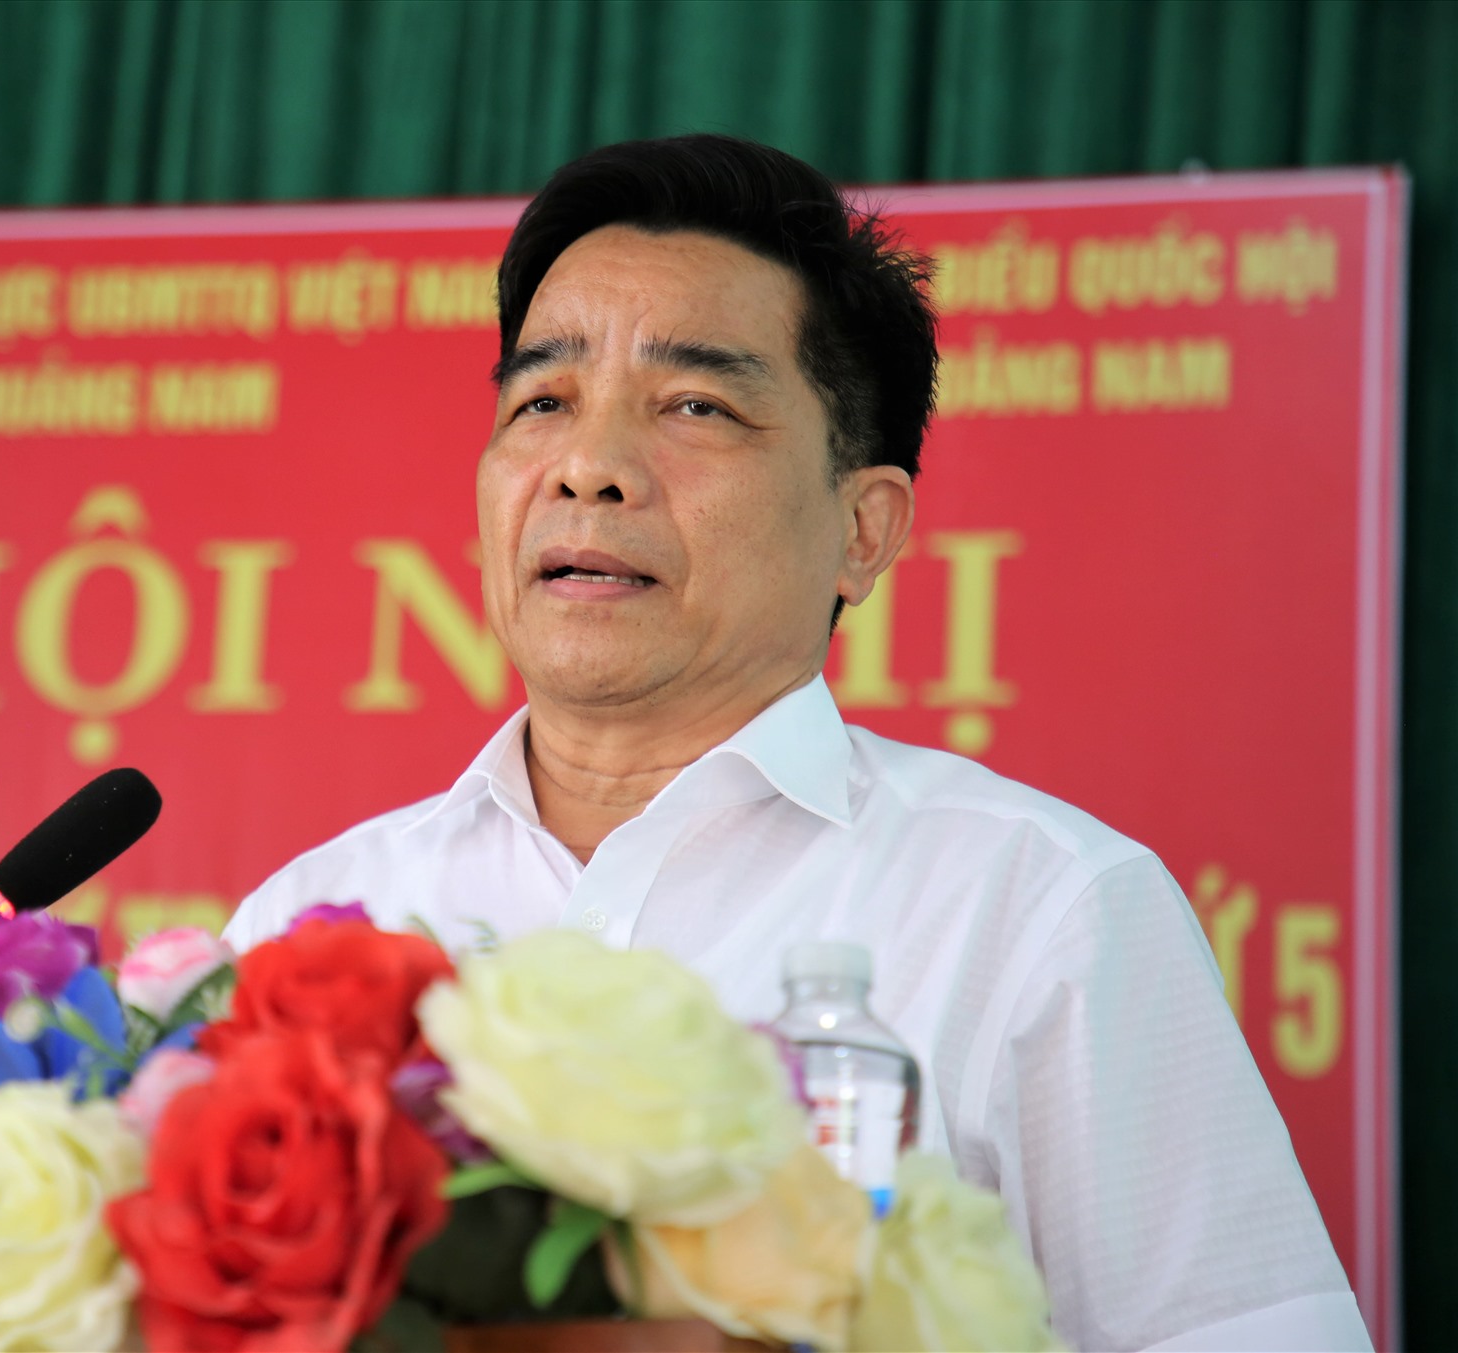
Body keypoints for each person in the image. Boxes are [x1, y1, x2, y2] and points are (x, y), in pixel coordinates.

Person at [223, 135, 1367, 1352]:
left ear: (862, 530)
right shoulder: (312, 919)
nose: (589, 470)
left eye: (693, 406)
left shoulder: (1037, 908)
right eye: (540, 402)